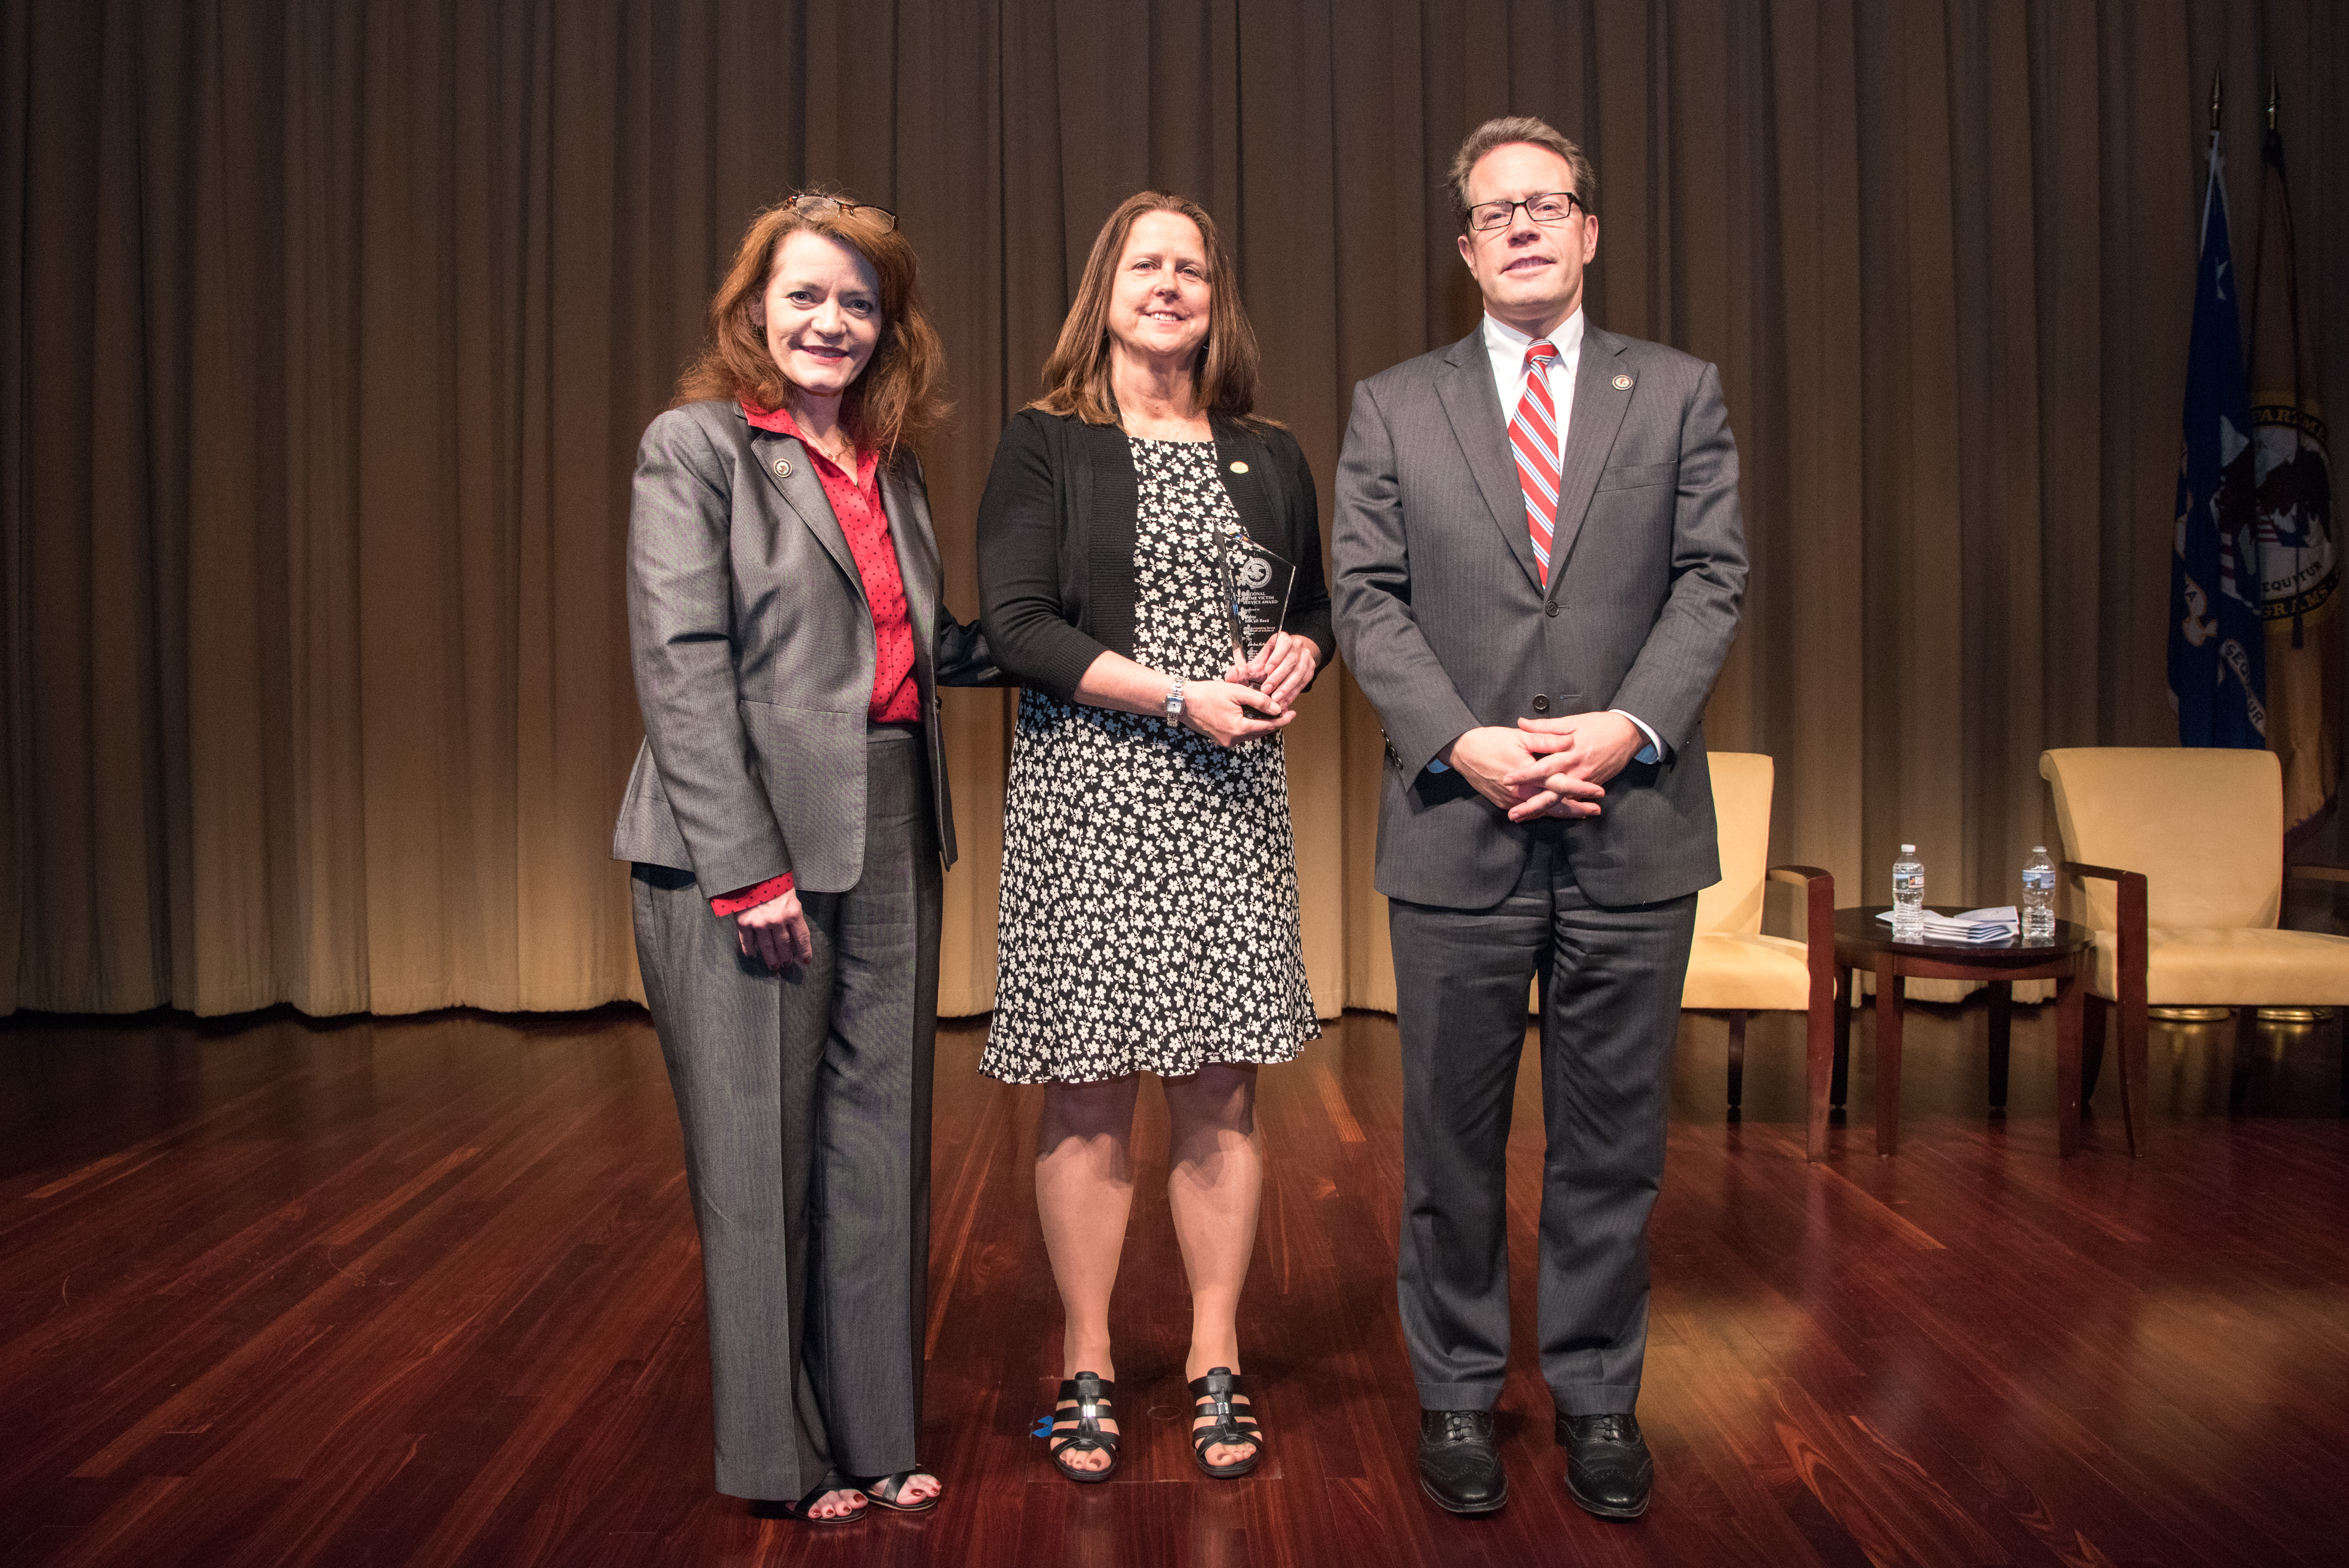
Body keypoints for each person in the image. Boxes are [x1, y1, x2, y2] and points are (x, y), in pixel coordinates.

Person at [1331, 117, 1747, 1520]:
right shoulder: (1392, 404)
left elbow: (1709, 580)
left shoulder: (1677, 392)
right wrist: (1465, 739)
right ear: (1463, 246)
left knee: (1612, 1138)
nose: (1519, 226)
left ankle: (1595, 1394)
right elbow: (1367, 597)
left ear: (1586, 233)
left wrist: (1624, 731)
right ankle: (1454, 1393)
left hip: (1631, 824)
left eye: (1545, 204)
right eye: (1492, 210)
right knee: (1451, 1138)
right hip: (1458, 820)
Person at [613, 192, 997, 1525]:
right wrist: (745, 869)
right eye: (805, 296)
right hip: (745, 839)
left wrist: (1094, 638)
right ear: (753, 310)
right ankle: (780, 1459)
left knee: (877, 1148)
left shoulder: (889, 465)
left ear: (888, 327)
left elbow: (927, 645)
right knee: (758, 1161)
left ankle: (877, 1435)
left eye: (857, 302)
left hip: (892, 815)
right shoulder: (699, 447)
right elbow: (681, 665)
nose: (830, 322)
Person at [975, 191, 1332, 1485]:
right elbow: (1014, 628)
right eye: (1146, 264)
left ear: (1213, 296)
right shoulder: (1043, 442)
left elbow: (1313, 610)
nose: (1169, 284)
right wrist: (1177, 694)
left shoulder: (1269, 450)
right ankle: (1083, 1363)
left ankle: (1212, 1359)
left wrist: (1302, 647)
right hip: (1092, 793)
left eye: (1190, 267)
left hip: (1229, 806)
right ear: (1104, 290)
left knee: (1221, 1091)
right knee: (1085, 1099)